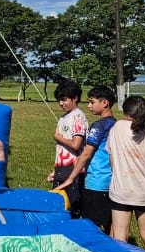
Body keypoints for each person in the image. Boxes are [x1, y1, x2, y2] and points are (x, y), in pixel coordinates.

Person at [105, 96, 145, 252]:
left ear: (127, 112)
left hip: (121, 191)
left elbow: (112, 157)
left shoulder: (117, 127)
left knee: (120, 237)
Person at [53, 85, 115, 232]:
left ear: (104, 103)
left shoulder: (99, 126)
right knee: (110, 223)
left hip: (96, 181)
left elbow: (85, 152)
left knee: (90, 224)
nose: (89, 106)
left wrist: (70, 178)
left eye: (92, 102)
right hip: (109, 180)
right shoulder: (116, 124)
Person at [47, 80, 87, 218]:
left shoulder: (78, 117)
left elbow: (76, 144)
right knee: (59, 205)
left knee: (73, 207)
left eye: (64, 100)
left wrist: (58, 138)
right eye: (59, 100)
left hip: (74, 170)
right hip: (62, 169)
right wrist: (56, 170)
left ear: (75, 98)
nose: (61, 103)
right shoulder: (64, 117)